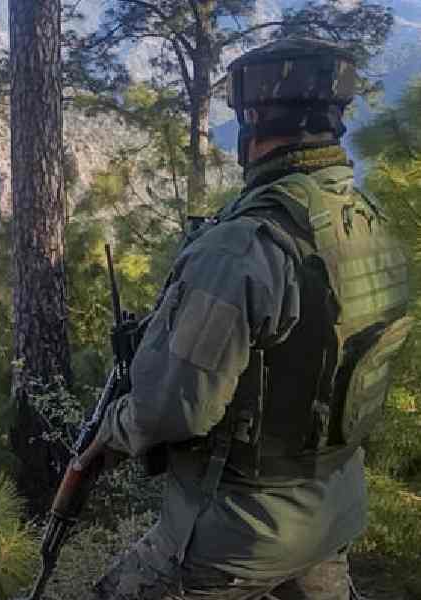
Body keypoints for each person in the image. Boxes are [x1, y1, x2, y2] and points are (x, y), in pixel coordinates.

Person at [82, 38, 413, 599]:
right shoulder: (373, 225)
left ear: (252, 124)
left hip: (236, 535)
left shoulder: (242, 248)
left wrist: (109, 431)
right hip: (331, 514)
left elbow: (174, 409)